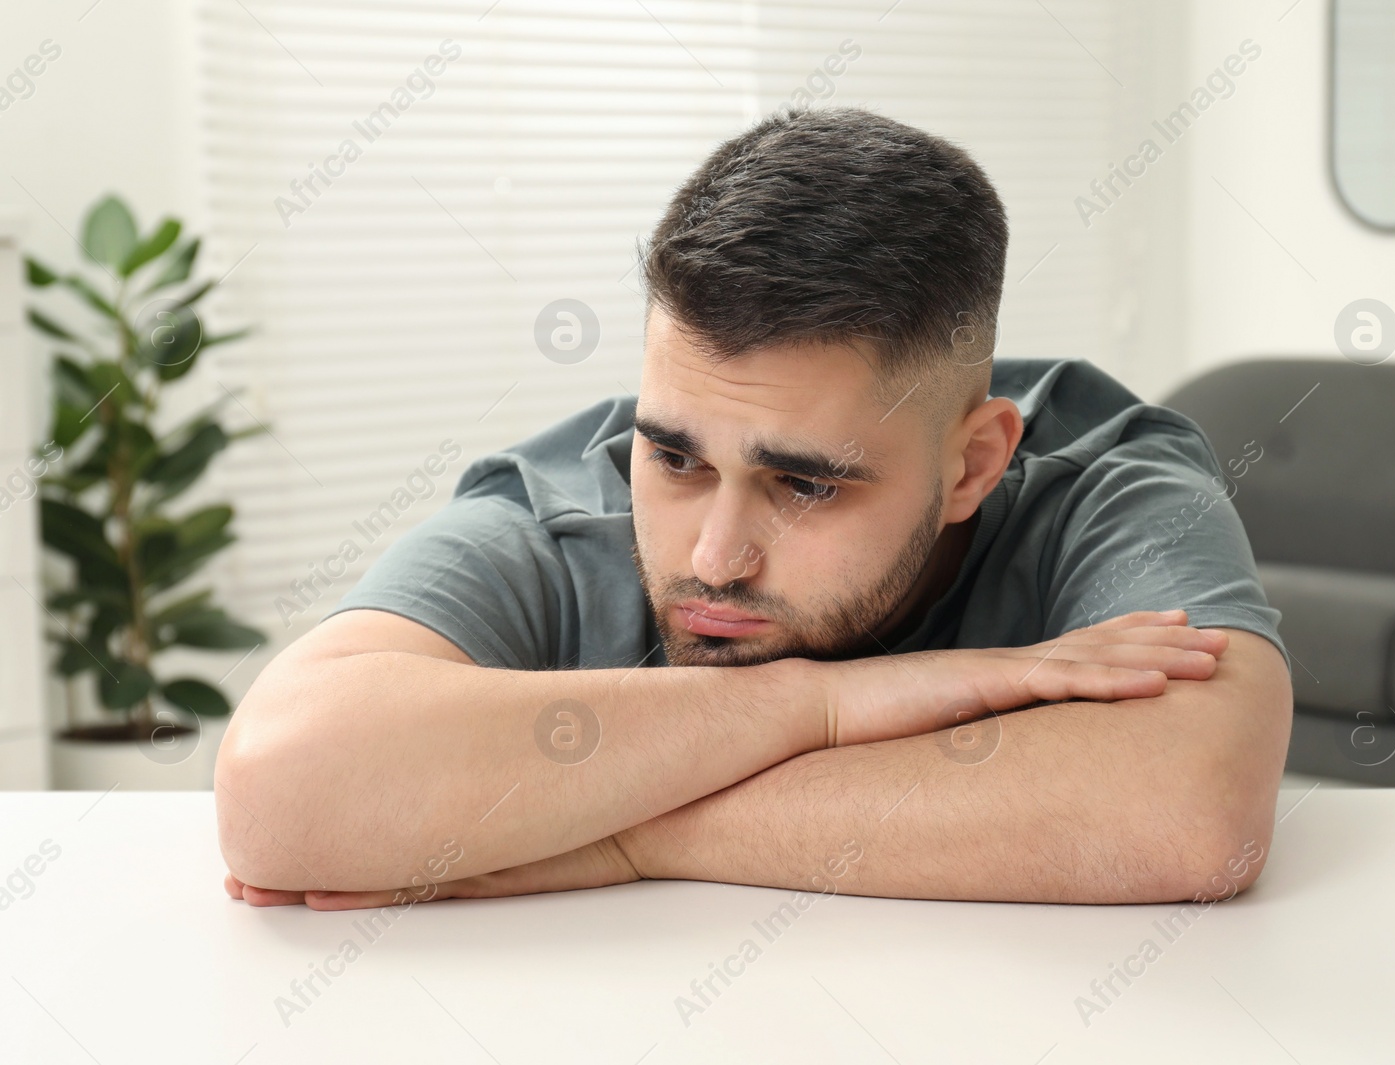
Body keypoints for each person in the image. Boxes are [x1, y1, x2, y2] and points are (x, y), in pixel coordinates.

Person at [216, 107, 1292, 910]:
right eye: (675, 458)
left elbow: (1195, 815)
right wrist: (816, 709)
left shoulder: (1104, 482)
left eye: (807, 484)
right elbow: (280, 795)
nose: (717, 557)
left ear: (973, 466)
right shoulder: (559, 514)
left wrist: (620, 838)